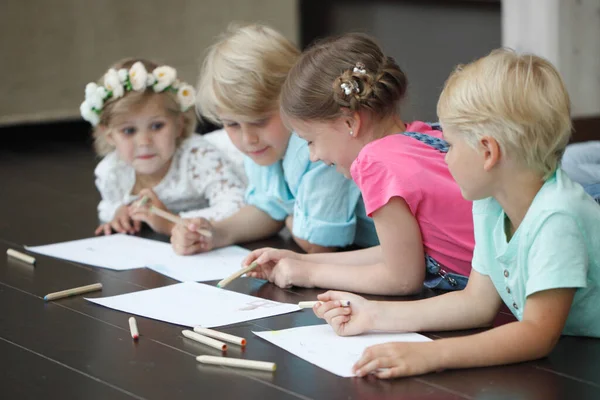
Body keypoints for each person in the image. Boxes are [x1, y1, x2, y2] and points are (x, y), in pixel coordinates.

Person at [314, 49, 600, 379]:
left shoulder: (555, 218)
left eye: (449, 145)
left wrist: (431, 354)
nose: (444, 157)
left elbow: (537, 334)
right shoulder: (491, 202)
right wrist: (373, 315)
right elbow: (476, 304)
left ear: (488, 152)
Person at [243, 33, 474, 295]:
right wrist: (301, 260)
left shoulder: (376, 162)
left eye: (310, 141)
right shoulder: (420, 136)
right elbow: (397, 254)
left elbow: (401, 278)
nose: (313, 156)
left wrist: (309, 273)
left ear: (350, 122)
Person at [170, 25, 380, 255]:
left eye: (259, 121)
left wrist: (289, 218)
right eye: (232, 124)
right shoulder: (266, 147)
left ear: (293, 99)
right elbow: (268, 209)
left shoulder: (318, 148)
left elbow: (318, 244)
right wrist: (215, 233)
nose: (248, 139)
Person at [80, 58, 245, 236]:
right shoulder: (112, 171)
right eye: (129, 130)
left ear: (179, 124)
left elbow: (237, 206)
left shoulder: (198, 158)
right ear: (110, 136)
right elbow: (108, 204)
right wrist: (120, 212)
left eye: (157, 126)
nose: (144, 142)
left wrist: (171, 219)